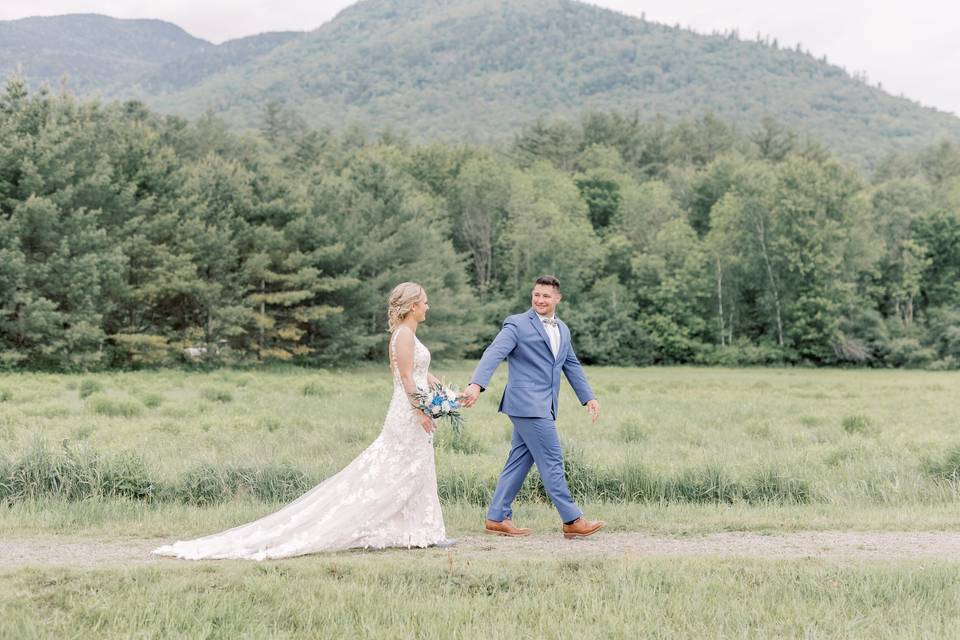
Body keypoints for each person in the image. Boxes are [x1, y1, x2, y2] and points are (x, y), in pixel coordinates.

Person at [153, 282, 450, 560]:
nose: (428, 306)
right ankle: (400, 528)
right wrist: (421, 411)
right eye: (425, 302)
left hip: (411, 408)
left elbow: (420, 374)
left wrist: (445, 393)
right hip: (408, 412)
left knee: (417, 467)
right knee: (395, 472)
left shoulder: (407, 335)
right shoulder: (404, 336)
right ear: (411, 307)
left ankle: (425, 530)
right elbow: (407, 378)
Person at [461, 275, 605, 539]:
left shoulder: (562, 328)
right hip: (527, 404)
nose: (540, 299)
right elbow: (493, 352)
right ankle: (572, 519)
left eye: (546, 296)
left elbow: (570, 364)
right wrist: (476, 385)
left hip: (544, 405)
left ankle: (496, 517)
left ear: (557, 299)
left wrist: (588, 397)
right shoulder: (516, 324)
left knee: (519, 460)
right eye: (536, 294)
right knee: (552, 460)